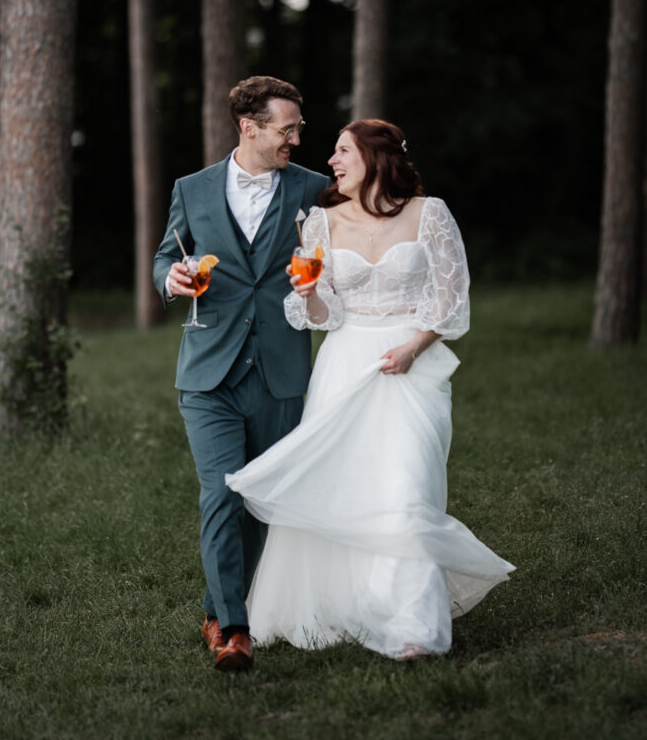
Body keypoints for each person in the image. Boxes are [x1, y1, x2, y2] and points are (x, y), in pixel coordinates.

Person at [226, 119, 515, 660]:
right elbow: (320, 313)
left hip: (411, 366)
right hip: (346, 361)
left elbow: (451, 299)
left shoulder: (430, 214)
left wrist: (413, 346)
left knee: (406, 486)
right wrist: (308, 293)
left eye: (341, 151)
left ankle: (412, 626)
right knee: (344, 487)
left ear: (376, 156)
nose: (330, 162)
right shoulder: (320, 223)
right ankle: (341, 608)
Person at [153, 76, 329, 671]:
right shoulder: (192, 188)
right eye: (288, 129)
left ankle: (214, 607)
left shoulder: (314, 189)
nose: (298, 140)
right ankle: (233, 629)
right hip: (208, 370)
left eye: (298, 129)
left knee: (261, 499)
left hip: (281, 369)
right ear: (249, 127)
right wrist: (170, 278)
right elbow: (165, 255)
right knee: (221, 493)